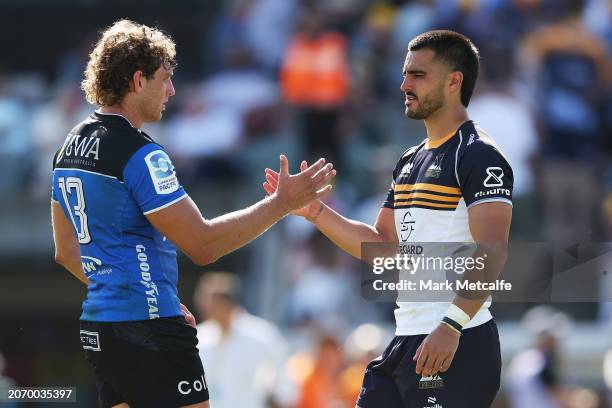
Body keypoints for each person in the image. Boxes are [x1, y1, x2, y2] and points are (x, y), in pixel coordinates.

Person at [50, 20, 335, 408]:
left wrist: (127, 290)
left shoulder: (69, 146)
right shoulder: (141, 154)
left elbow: (66, 253)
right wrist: (281, 203)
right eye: (164, 78)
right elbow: (203, 245)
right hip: (151, 327)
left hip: (100, 327)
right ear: (138, 80)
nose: (171, 90)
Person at [264, 30, 512, 407]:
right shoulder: (409, 161)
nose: (404, 84)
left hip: (458, 339)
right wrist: (315, 213)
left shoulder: (479, 155)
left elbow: (492, 250)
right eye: (405, 74)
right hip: (407, 339)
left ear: (453, 81)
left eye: (417, 75)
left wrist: (451, 325)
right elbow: (382, 248)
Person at [193, 272, 297, 408]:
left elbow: (285, 373)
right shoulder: (200, 336)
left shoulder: (260, 334)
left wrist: (280, 399)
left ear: (228, 303)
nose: (205, 307)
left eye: (212, 302)